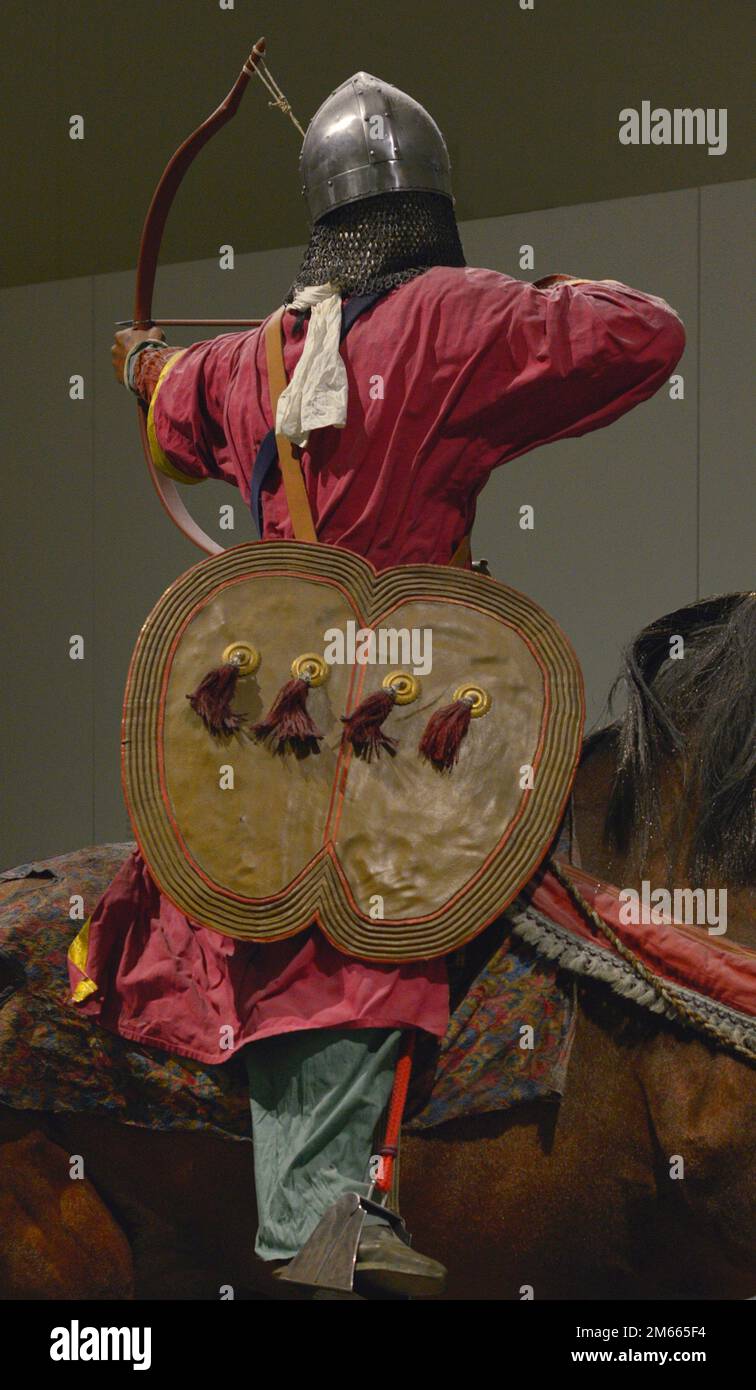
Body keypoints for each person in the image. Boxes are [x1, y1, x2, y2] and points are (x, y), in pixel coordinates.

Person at [73, 70, 685, 1298]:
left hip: (264, 726)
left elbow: (168, 409)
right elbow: (646, 328)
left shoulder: (252, 359)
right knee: (364, 909)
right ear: (430, 209)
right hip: (397, 715)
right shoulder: (458, 317)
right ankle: (324, 1219)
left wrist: (146, 364)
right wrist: (533, 296)